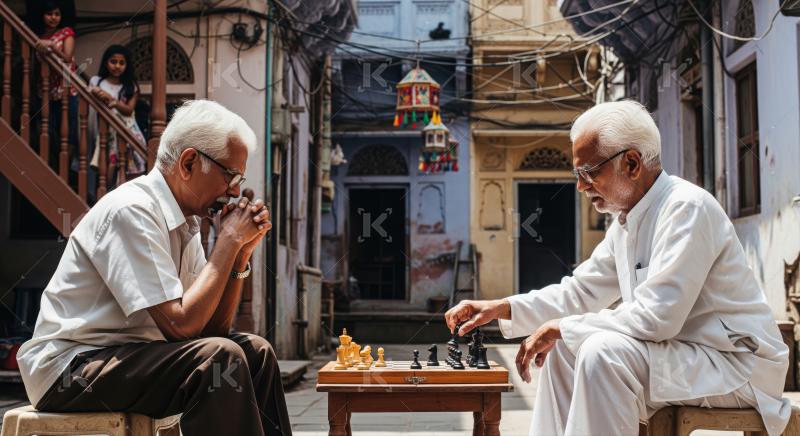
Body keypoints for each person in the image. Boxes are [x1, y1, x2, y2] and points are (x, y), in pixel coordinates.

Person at [445, 100, 790, 436]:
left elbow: (657, 318)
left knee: (601, 353)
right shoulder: (627, 222)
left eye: (589, 172)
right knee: (565, 350)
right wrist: (501, 307)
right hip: (685, 357)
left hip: (736, 364)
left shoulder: (687, 208)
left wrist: (564, 327)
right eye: (577, 174)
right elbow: (580, 292)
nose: (581, 186)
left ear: (632, 163)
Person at [17, 100, 292, 436]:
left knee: (255, 354)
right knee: (217, 360)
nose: (234, 190)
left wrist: (239, 257)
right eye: (230, 174)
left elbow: (211, 330)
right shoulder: (132, 210)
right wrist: (227, 243)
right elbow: (181, 326)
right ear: (189, 162)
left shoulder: (185, 222)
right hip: (70, 368)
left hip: (130, 356)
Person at [88, 44, 147, 189]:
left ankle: (129, 191)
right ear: (106, 62)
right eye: (113, 61)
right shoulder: (97, 82)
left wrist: (111, 100)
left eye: (122, 63)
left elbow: (128, 110)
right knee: (111, 162)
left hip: (128, 129)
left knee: (133, 163)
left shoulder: (130, 86)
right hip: (106, 130)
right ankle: (109, 192)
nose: (117, 66)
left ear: (127, 65)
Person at [35, 1, 78, 165]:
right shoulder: (37, 37)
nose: (53, 18)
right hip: (46, 90)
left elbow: (68, 59)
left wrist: (52, 45)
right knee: (49, 131)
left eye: (57, 14)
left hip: (67, 88)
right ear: (42, 16)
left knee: (68, 133)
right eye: (49, 14)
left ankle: (66, 169)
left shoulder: (66, 33)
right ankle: (53, 166)